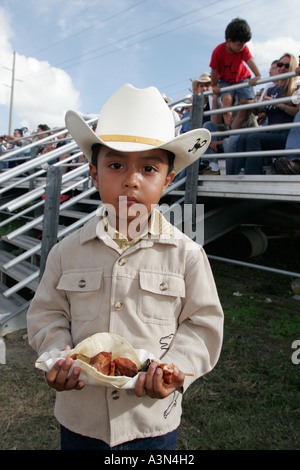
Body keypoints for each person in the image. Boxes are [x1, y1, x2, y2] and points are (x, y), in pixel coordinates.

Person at [26, 83, 224, 451]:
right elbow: (47, 314)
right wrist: (57, 354)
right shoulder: (66, 252)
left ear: (167, 179)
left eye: (148, 168)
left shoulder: (188, 255)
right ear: (93, 173)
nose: (131, 179)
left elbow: (203, 325)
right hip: (80, 418)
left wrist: (175, 369)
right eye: (116, 165)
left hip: (151, 422)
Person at [232, 53, 299, 175]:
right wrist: (252, 103)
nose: (282, 68)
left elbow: (297, 112)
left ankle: (253, 174)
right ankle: (238, 173)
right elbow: (261, 113)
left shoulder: (295, 88)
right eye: (280, 64)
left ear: (292, 68)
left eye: (287, 65)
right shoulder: (271, 89)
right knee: (243, 137)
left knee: (254, 138)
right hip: (270, 132)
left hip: (286, 134)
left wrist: (278, 104)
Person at [210, 18, 261, 130]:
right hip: (226, 81)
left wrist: (257, 75)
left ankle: (259, 111)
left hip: (242, 78)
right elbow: (213, 70)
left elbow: (250, 62)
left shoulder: (243, 49)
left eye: (244, 44)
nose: (242, 47)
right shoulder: (218, 51)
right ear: (229, 41)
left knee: (245, 101)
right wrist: (214, 85)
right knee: (226, 100)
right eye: (239, 44)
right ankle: (228, 126)